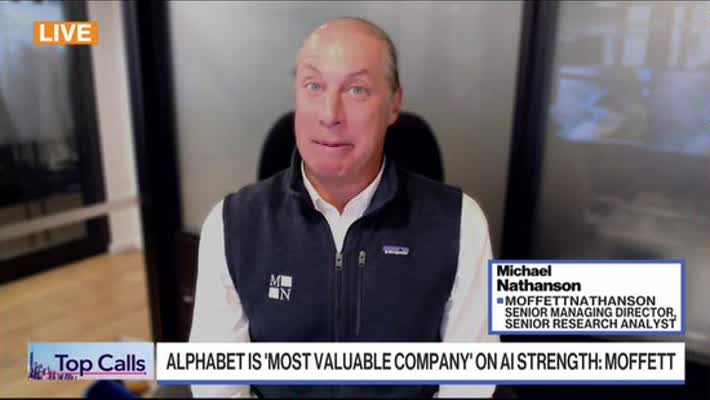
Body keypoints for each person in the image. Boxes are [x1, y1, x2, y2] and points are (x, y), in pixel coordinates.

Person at [190, 17, 497, 398]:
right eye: (314, 86)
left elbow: (469, 383)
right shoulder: (232, 224)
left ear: (394, 103)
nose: (330, 114)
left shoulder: (460, 224)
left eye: (356, 89)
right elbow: (218, 385)